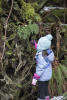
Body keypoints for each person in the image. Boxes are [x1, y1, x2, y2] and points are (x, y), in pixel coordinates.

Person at [31, 34, 54, 100]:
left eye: (39, 43)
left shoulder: (41, 56)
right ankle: (47, 98)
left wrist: (35, 78)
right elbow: (40, 48)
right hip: (48, 75)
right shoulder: (49, 52)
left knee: (41, 91)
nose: (38, 45)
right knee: (46, 89)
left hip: (42, 76)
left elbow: (41, 68)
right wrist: (35, 44)